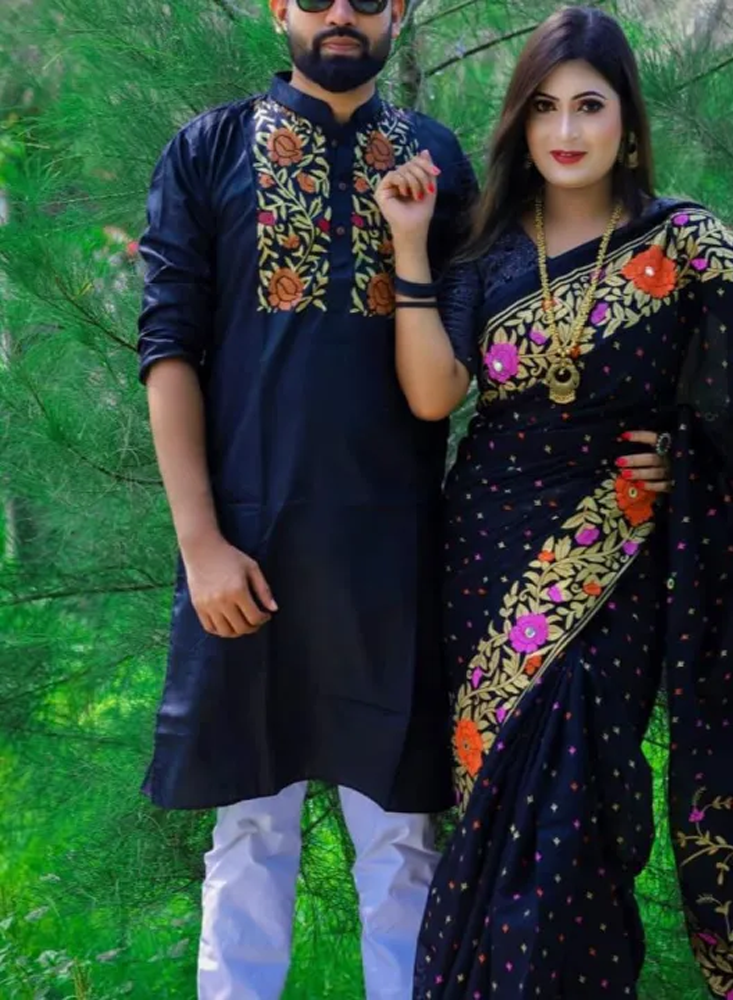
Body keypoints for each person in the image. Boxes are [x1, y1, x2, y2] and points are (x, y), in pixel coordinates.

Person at [373, 6, 733, 998]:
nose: (566, 130)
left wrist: (695, 459)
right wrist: (410, 249)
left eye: (589, 106)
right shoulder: (485, 249)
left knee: (581, 815)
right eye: (544, 107)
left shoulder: (685, 242)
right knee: (498, 817)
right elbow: (431, 393)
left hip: (618, 560)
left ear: (627, 120)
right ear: (520, 123)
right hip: (488, 555)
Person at [136, 0, 477, 996]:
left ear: (397, 10)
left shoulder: (438, 162)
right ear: (277, 6)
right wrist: (201, 544)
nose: (341, 14)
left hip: (393, 559)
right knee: (249, 835)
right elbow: (168, 350)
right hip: (249, 551)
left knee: (403, 843)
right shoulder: (207, 151)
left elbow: (466, 365)